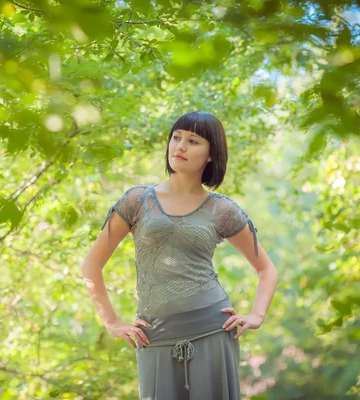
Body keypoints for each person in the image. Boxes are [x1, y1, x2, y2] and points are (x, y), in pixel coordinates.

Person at [81, 111, 278, 399]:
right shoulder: (138, 201)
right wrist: (112, 323)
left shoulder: (222, 210)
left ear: (211, 154)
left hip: (212, 331)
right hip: (154, 336)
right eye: (176, 138)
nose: (180, 146)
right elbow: (91, 266)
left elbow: (266, 269)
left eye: (193, 141)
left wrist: (257, 315)